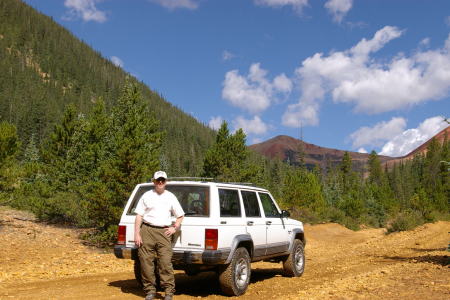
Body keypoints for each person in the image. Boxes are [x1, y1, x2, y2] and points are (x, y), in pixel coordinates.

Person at [134, 171, 184, 300]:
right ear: (154, 181)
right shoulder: (146, 195)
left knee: (165, 262)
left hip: (164, 232)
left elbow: (180, 215)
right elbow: (139, 215)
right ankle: (150, 291)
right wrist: (137, 234)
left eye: (163, 180)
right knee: (145, 262)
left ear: (166, 181)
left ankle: (168, 292)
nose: (160, 182)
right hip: (147, 230)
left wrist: (174, 227)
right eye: (158, 180)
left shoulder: (171, 197)